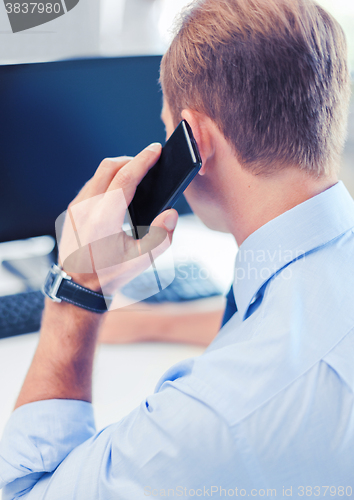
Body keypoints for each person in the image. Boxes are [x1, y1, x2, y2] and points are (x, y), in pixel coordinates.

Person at [1, 0, 353, 497]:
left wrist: (78, 288)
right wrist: (152, 322)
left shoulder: (211, 419)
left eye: (169, 131)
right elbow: (286, 323)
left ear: (196, 142)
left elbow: (24, 490)